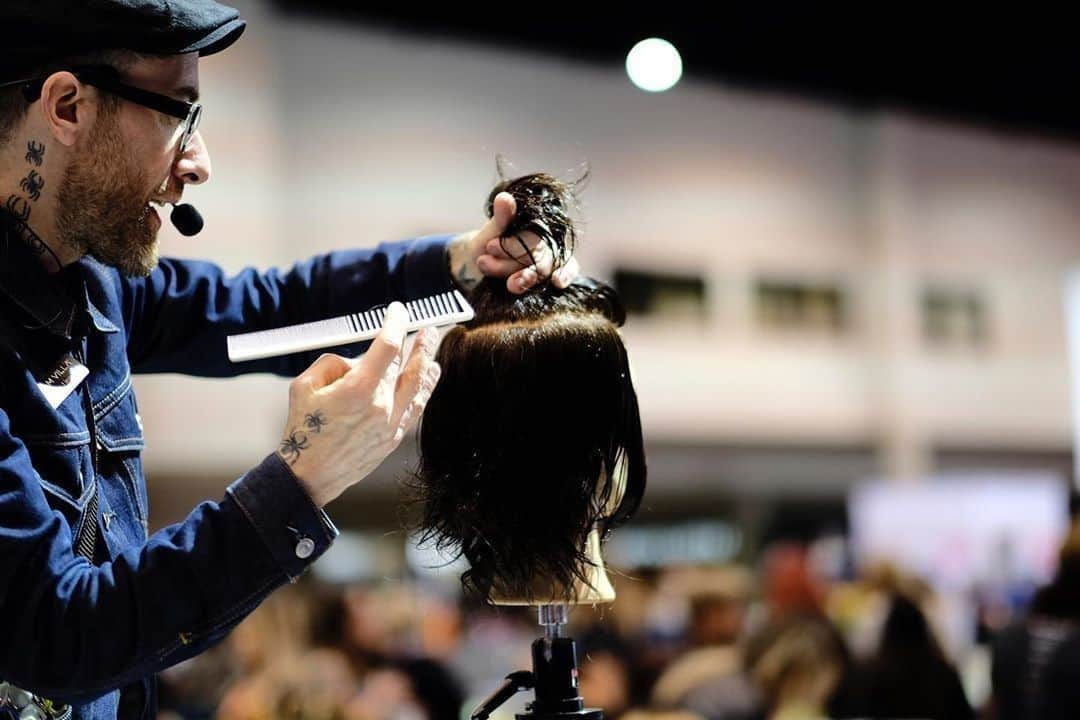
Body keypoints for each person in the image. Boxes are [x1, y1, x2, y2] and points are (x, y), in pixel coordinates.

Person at [0, 2, 579, 719]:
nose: (199, 163)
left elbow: (266, 312)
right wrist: (301, 478)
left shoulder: (98, 290)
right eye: (179, 114)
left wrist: (462, 262)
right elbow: (56, 635)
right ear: (66, 105)